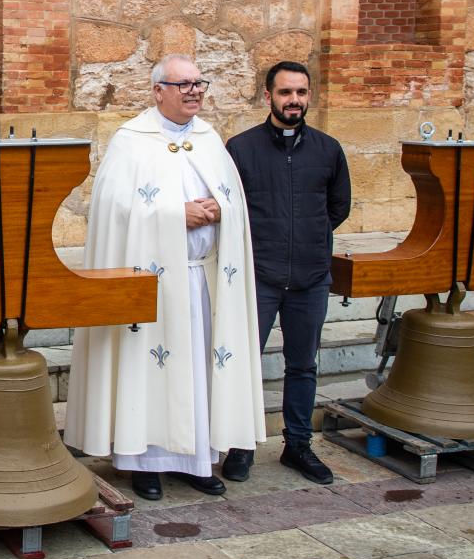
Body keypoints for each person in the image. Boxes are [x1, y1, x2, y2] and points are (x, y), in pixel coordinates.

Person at [65, 54, 266, 501]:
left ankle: (198, 461)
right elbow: (115, 210)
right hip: (152, 282)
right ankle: (145, 464)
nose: (194, 91)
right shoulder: (131, 141)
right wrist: (176, 215)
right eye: (184, 84)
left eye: (200, 83)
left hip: (204, 280)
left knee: (199, 370)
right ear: (159, 91)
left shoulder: (211, 140)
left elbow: (234, 200)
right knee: (149, 367)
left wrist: (220, 209)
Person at [224, 60, 351, 485]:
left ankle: (298, 445)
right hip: (258, 277)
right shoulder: (241, 149)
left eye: (300, 92)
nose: (293, 100)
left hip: (311, 278)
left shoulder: (328, 150)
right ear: (268, 97)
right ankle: (241, 445)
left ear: (309, 95)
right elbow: (230, 210)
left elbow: (338, 208)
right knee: (246, 364)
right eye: (285, 92)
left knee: (303, 365)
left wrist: (308, 239)